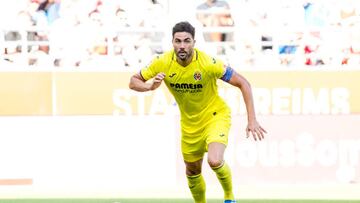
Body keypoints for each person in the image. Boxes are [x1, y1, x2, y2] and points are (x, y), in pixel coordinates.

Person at [129, 21, 266, 203]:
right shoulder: (161, 62)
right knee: (192, 171)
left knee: (215, 160)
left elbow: (244, 83)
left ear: (194, 42)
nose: (182, 46)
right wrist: (149, 86)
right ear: (172, 42)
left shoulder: (208, 63)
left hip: (215, 116)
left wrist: (252, 120)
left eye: (187, 41)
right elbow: (133, 81)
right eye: (178, 41)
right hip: (189, 123)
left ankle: (229, 197)